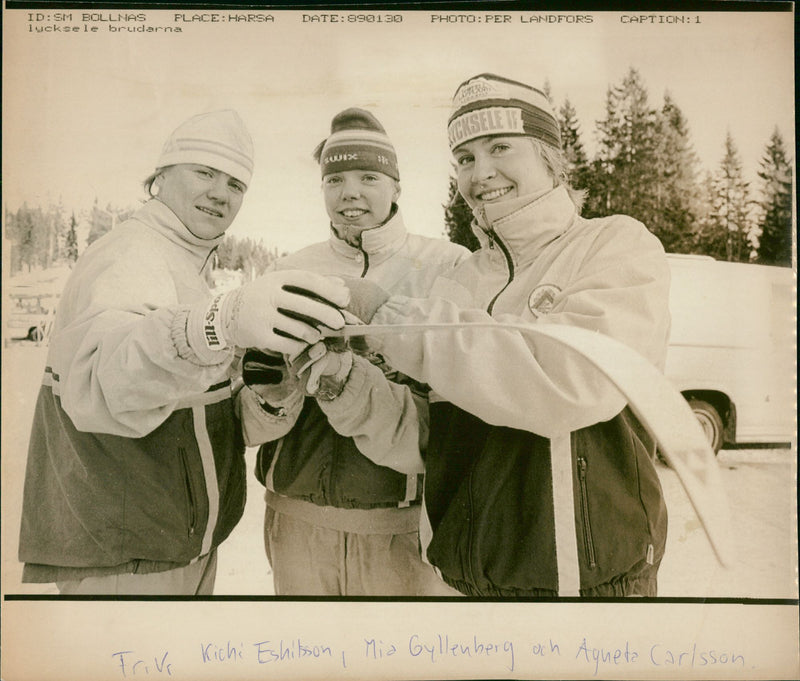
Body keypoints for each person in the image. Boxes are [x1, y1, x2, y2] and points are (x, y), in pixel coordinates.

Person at [337, 74, 671, 597]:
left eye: (500, 148)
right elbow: (428, 443)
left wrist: (391, 316)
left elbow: (572, 384)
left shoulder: (615, 244)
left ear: (548, 157)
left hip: (589, 590)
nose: (481, 172)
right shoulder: (459, 282)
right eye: (465, 158)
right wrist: (345, 387)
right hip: (465, 585)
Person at [17, 109, 350, 595]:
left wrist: (273, 391)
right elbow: (103, 383)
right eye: (205, 172)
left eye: (236, 183)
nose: (221, 192)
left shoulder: (186, 267)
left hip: (173, 548)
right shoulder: (130, 255)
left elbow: (200, 418)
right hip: (125, 559)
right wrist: (217, 322)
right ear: (161, 177)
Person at [237, 108, 468, 595]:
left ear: (396, 187)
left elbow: (461, 409)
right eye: (336, 179)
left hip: (402, 528)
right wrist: (274, 391)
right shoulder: (289, 270)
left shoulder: (446, 265)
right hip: (297, 524)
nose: (351, 192)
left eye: (369, 176)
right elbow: (248, 414)